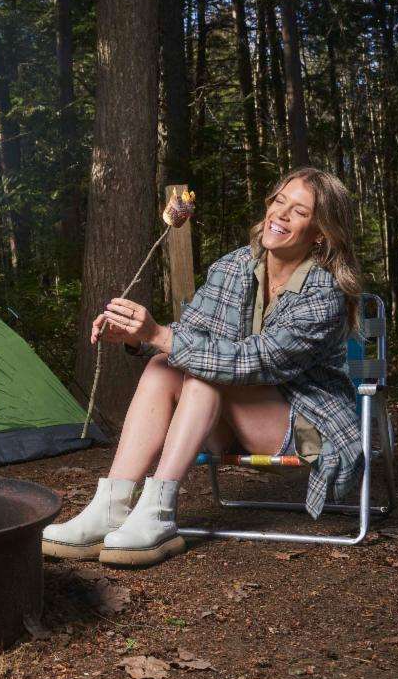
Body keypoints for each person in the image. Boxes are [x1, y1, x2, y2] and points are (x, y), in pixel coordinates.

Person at [44, 167, 364, 567]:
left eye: (298, 211)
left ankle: (157, 514)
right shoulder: (233, 267)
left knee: (202, 374)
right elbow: (188, 335)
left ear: (320, 232)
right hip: (226, 418)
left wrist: (159, 334)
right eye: (279, 201)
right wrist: (136, 337)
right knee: (163, 366)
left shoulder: (323, 292)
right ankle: (112, 504)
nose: (280, 215)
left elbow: (259, 361)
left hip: (307, 426)